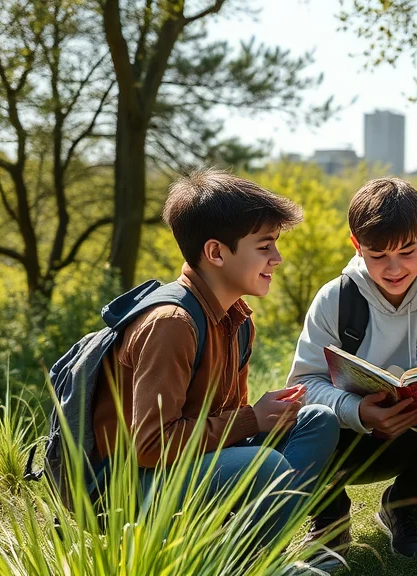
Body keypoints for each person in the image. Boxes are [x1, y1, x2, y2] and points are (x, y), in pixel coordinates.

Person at [91, 168, 341, 551]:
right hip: (126, 491)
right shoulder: (172, 324)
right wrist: (253, 419)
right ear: (216, 253)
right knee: (267, 465)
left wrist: (262, 418)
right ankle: (239, 562)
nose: (277, 258)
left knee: (316, 421)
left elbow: (226, 423)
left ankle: (246, 553)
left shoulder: (237, 319)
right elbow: (150, 445)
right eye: (264, 246)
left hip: (186, 471)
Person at [287, 177, 417, 559]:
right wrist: (357, 410)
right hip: (349, 437)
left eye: (406, 251)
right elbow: (304, 384)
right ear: (356, 245)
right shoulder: (334, 299)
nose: (394, 269)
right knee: (304, 418)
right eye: (377, 255)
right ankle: (329, 517)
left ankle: (402, 506)